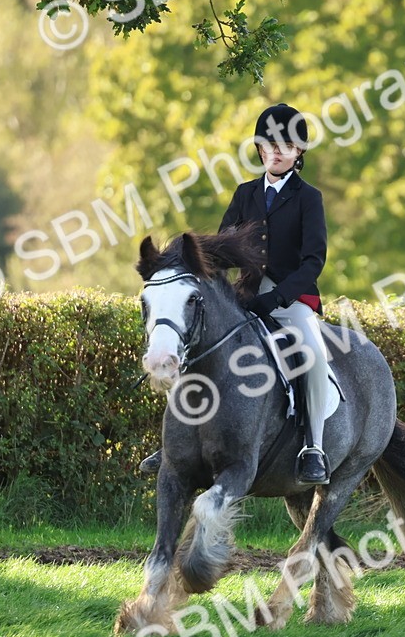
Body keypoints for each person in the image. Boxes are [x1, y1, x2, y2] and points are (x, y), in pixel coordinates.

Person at [140, 102, 332, 485]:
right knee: (194, 343)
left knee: (311, 352)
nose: (278, 151)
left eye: (287, 145)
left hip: (290, 298)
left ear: (299, 153)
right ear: (261, 149)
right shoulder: (245, 193)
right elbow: (221, 249)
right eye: (270, 144)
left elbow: (314, 260)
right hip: (243, 295)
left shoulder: (308, 198)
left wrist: (274, 299)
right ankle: (176, 442)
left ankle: (314, 445)